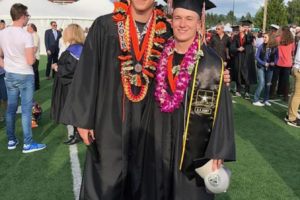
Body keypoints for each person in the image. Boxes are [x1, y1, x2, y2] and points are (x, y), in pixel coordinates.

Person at [60, 0, 230, 199]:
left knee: (148, 183)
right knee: (106, 183)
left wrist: (218, 74)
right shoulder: (105, 26)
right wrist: (83, 119)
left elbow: (192, 65)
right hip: (109, 123)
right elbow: (88, 71)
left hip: (154, 127)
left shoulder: (168, 30)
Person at [151, 0, 235, 199]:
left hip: (193, 149)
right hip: (159, 139)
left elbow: (223, 111)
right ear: (171, 21)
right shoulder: (159, 54)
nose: (182, 24)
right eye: (178, 18)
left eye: (189, 19)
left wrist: (218, 150)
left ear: (199, 24)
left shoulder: (212, 63)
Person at [0, 3, 46, 153]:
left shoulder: (3, 33)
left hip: (10, 75)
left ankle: (11, 140)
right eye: (27, 15)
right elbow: (30, 61)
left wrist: (6, 66)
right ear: (22, 16)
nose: (28, 18)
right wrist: (33, 51)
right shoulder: (26, 35)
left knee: (11, 109)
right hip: (25, 75)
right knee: (26, 110)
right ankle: (27, 144)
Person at [51, 24, 85, 145]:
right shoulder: (77, 47)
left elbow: (71, 69)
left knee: (74, 109)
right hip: (73, 84)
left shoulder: (77, 49)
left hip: (72, 85)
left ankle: (78, 135)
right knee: (74, 109)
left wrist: (56, 67)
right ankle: (77, 133)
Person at [230, 20, 256, 99]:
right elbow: (232, 47)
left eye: (247, 27)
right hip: (239, 57)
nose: (245, 28)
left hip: (247, 58)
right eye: (244, 26)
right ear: (241, 27)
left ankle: (247, 92)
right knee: (238, 73)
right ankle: (237, 90)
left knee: (247, 75)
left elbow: (249, 41)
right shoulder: (236, 36)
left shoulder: (250, 35)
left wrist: (247, 33)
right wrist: (238, 49)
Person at [253, 33, 278, 106]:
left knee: (268, 84)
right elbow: (256, 57)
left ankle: (266, 100)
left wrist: (274, 62)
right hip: (261, 66)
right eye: (263, 37)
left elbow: (277, 57)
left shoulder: (275, 47)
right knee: (262, 83)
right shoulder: (261, 46)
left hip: (270, 67)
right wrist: (264, 63)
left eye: (265, 37)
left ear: (270, 38)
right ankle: (255, 100)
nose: (264, 38)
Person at [270, 26, 295, 101]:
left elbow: (273, 48)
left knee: (274, 78)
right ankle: (285, 95)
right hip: (287, 63)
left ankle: (271, 94)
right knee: (286, 79)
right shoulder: (292, 41)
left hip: (278, 62)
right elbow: (292, 51)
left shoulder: (278, 39)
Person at [286, 41, 300, 127]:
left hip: (296, 67)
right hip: (298, 68)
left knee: (295, 93)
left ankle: (290, 115)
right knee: (297, 95)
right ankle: (292, 118)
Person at [27, 23, 40, 91]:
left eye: (28, 29)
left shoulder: (34, 35)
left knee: (33, 72)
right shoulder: (32, 35)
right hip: (35, 57)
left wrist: (30, 55)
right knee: (35, 72)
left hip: (34, 57)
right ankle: (36, 86)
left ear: (32, 29)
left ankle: (34, 87)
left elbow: (34, 48)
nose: (27, 30)